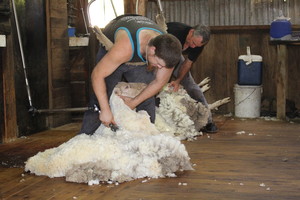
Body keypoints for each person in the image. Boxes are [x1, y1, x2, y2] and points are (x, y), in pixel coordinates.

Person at [79, 14, 182, 135]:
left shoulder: (168, 52)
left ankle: (147, 138)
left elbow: (159, 82)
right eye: (159, 64)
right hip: (114, 47)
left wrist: (133, 102)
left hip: (140, 52)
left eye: (163, 66)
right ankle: (85, 138)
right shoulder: (124, 48)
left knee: (146, 93)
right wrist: (105, 110)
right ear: (153, 50)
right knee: (102, 96)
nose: (160, 68)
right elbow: (97, 75)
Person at [167, 22, 218, 133]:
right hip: (158, 55)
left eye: (197, 46)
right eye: (193, 43)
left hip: (174, 56)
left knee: (192, 86)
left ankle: (208, 120)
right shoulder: (174, 32)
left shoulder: (198, 44)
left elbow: (188, 63)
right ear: (191, 32)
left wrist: (178, 80)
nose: (193, 47)